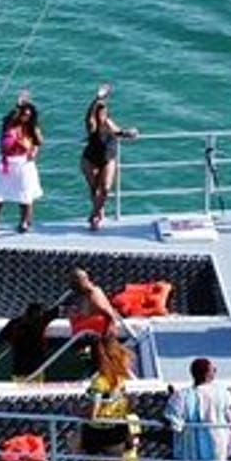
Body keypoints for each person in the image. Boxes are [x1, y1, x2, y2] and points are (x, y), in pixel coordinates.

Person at [74, 335, 135, 461]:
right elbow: (127, 403)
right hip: (117, 428)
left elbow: (92, 413)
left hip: (97, 431)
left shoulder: (98, 383)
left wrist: (76, 411)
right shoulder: (120, 377)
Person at [80, 86, 139, 232]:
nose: (102, 116)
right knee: (94, 189)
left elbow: (120, 133)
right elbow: (88, 116)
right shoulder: (91, 125)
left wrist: (130, 133)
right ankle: (98, 213)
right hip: (90, 158)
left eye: (104, 113)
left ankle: (95, 214)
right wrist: (97, 99)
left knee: (105, 188)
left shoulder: (109, 123)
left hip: (108, 158)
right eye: (99, 113)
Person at [0, 99, 44, 235]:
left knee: (25, 195)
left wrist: (34, 149)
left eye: (28, 115)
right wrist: (18, 106)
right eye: (23, 114)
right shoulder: (9, 124)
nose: (25, 117)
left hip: (23, 163)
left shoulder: (31, 128)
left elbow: (39, 142)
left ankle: (24, 222)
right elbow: (10, 117)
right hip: (6, 162)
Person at [0, 300, 60, 380]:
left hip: (25, 369)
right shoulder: (40, 321)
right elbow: (56, 311)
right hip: (31, 369)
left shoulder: (14, 324)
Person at [65, 267, 123, 339]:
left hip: (100, 323)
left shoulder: (92, 292)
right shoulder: (91, 291)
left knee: (75, 320)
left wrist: (112, 323)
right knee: (74, 318)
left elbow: (103, 308)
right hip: (98, 322)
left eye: (76, 280)